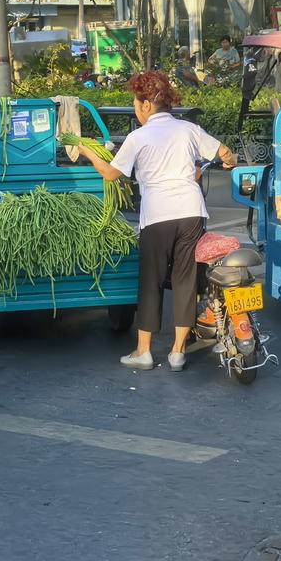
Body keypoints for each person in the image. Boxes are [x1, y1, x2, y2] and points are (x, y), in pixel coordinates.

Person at [78, 70, 236, 370]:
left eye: (137, 104)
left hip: (158, 216)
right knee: (185, 279)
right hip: (191, 212)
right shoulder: (189, 129)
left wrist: (87, 152)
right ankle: (178, 352)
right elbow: (225, 154)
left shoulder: (139, 137)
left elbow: (111, 174)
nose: (137, 110)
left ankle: (144, 352)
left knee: (150, 281)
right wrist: (230, 160)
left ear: (147, 104)